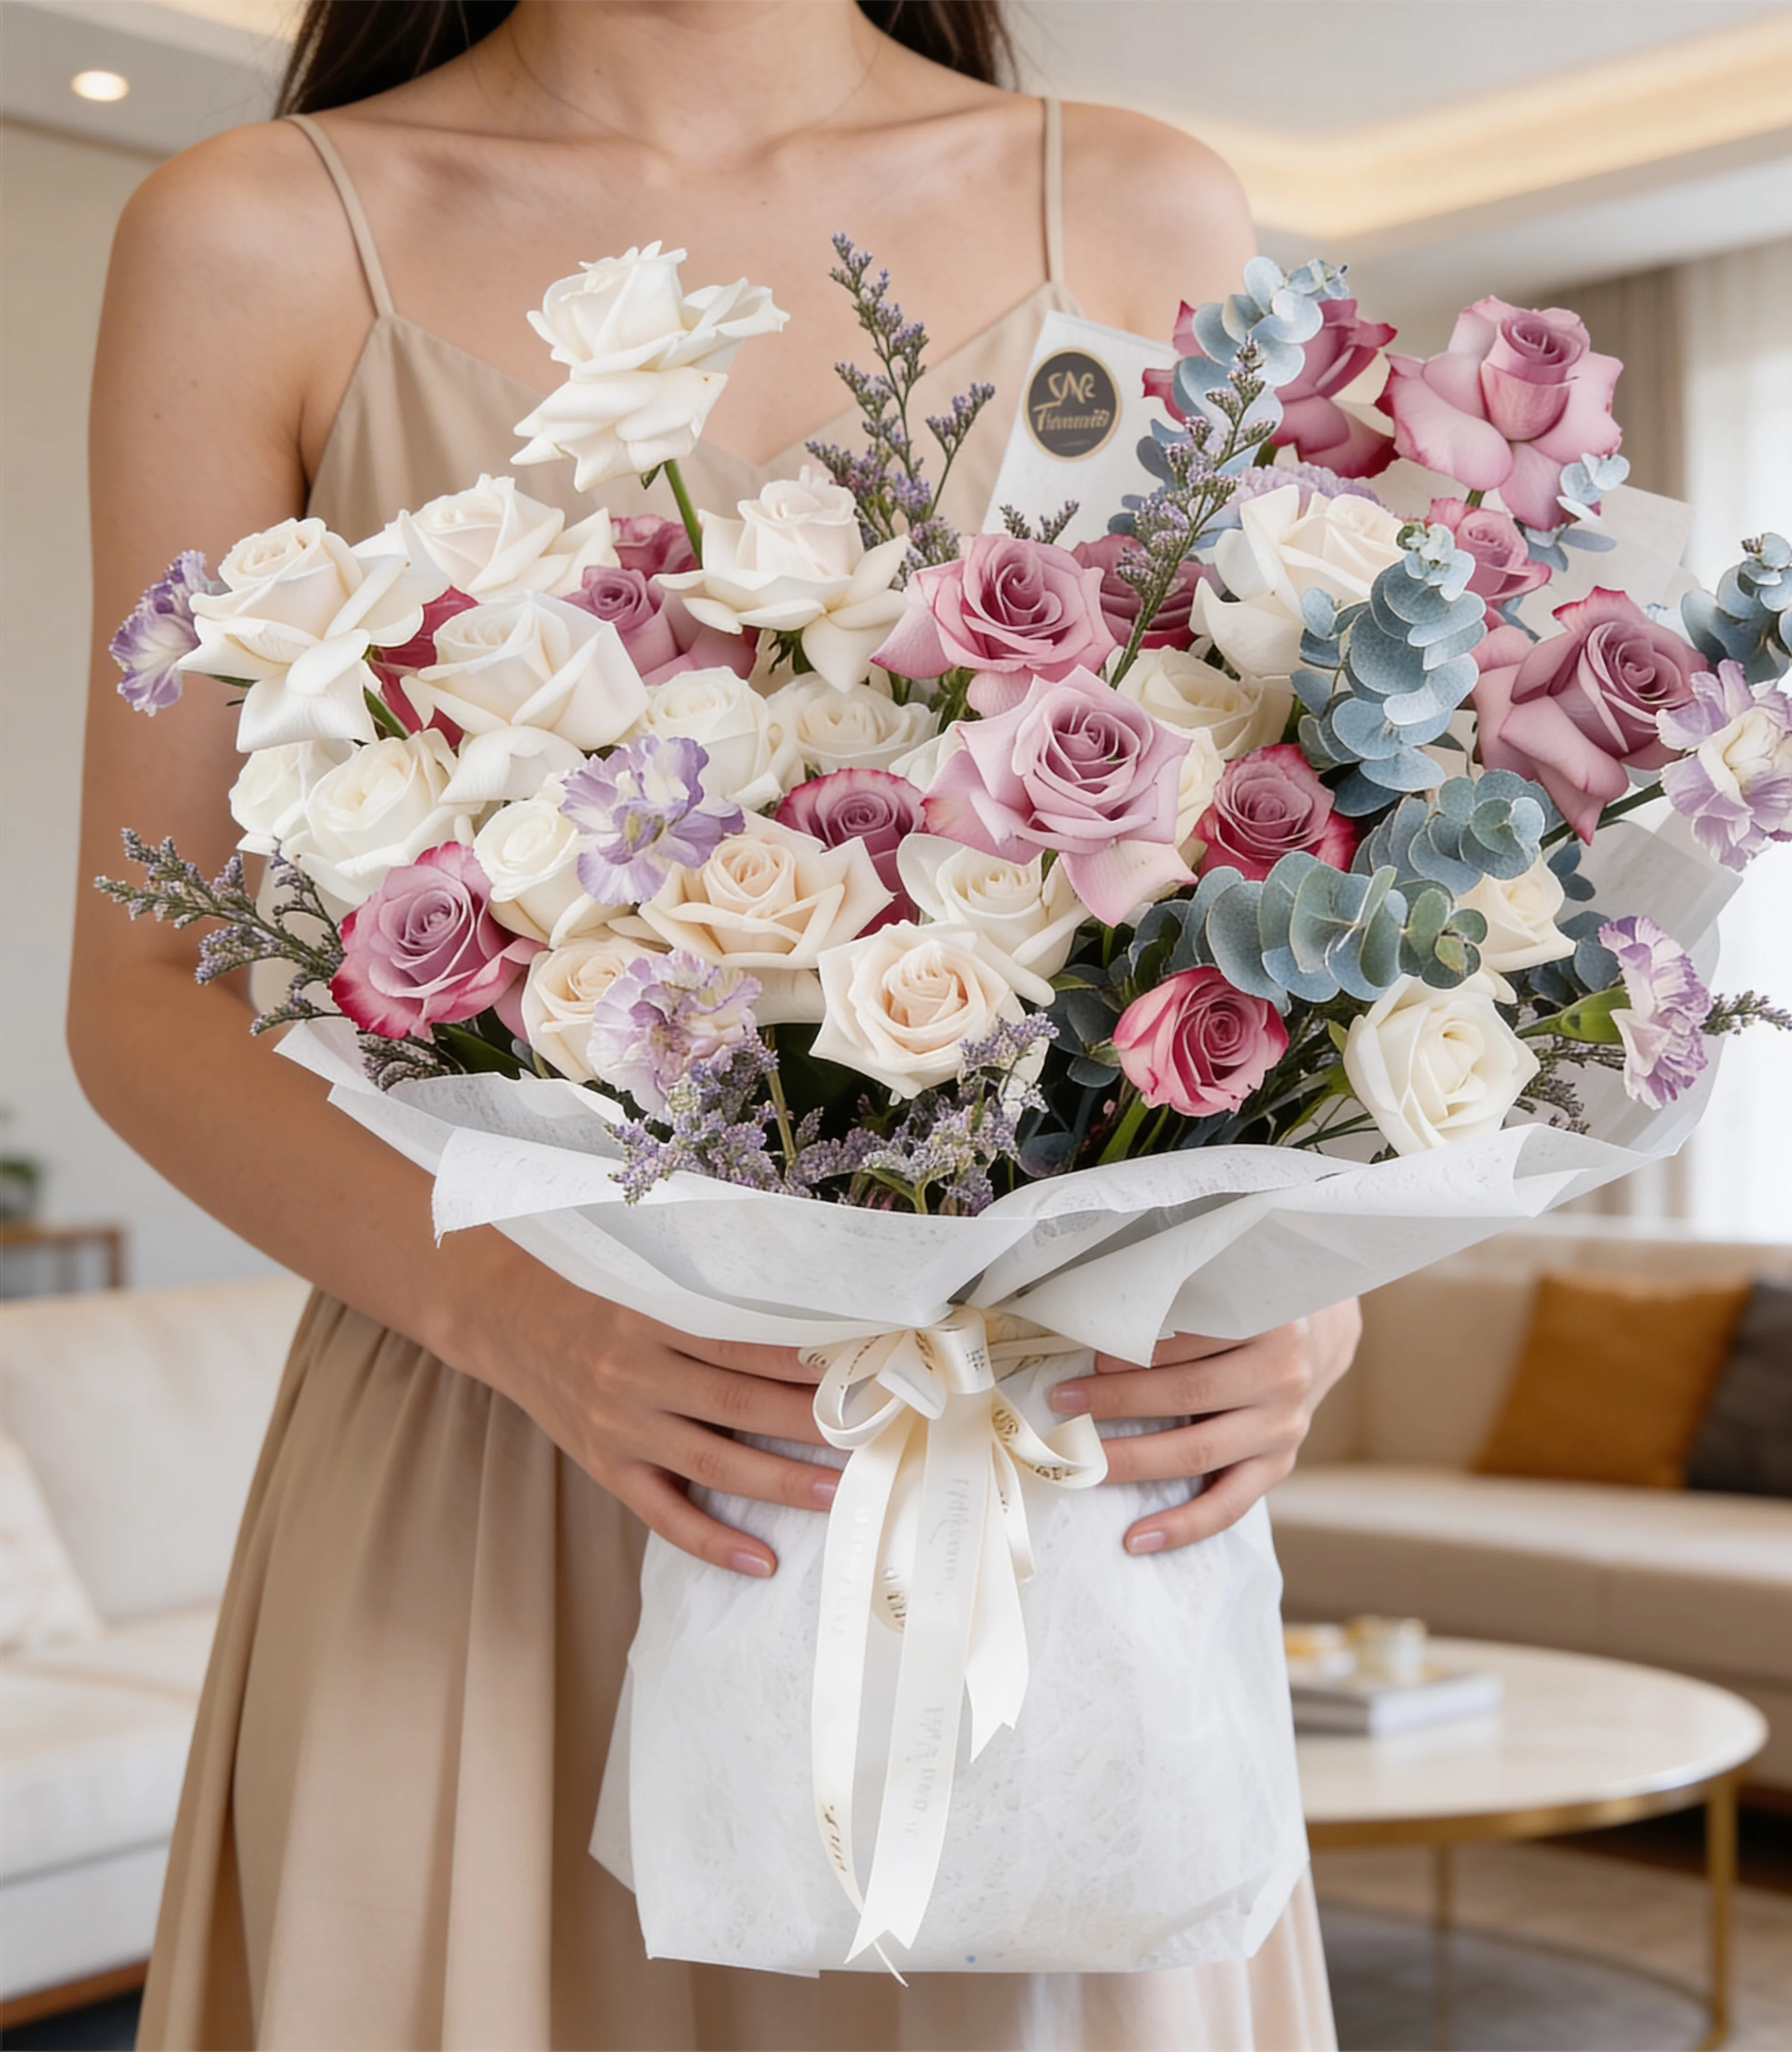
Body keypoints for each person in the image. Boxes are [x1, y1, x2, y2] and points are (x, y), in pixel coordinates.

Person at [71, 3, 1359, 2044]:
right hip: (504, 1449)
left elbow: (1301, 875)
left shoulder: (1132, 204)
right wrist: (525, 1319)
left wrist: (1305, 1302)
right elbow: (142, 992)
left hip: (1025, 1482)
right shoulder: (262, 233)